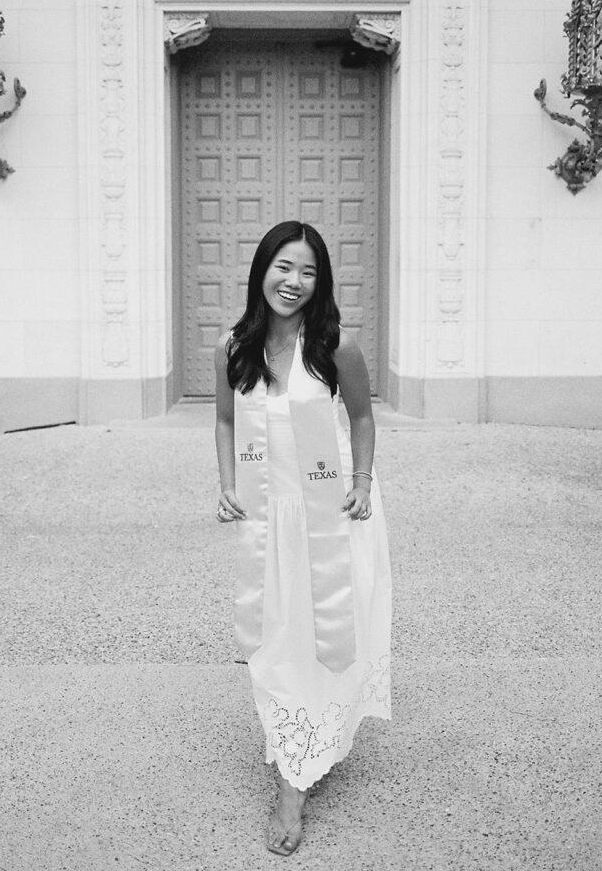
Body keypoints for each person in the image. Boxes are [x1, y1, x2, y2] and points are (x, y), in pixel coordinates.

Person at [214, 221, 391, 856]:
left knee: (328, 630)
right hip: (270, 517)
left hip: (332, 510)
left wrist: (364, 483)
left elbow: (364, 416)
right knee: (278, 636)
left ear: (321, 282)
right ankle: (297, 749)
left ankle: (302, 765)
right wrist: (226, 482)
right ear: (262, 270)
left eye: (308, 271)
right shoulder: (235, 345)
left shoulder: (335, 345)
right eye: (284, 267)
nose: (294, 282)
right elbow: (225, 416)